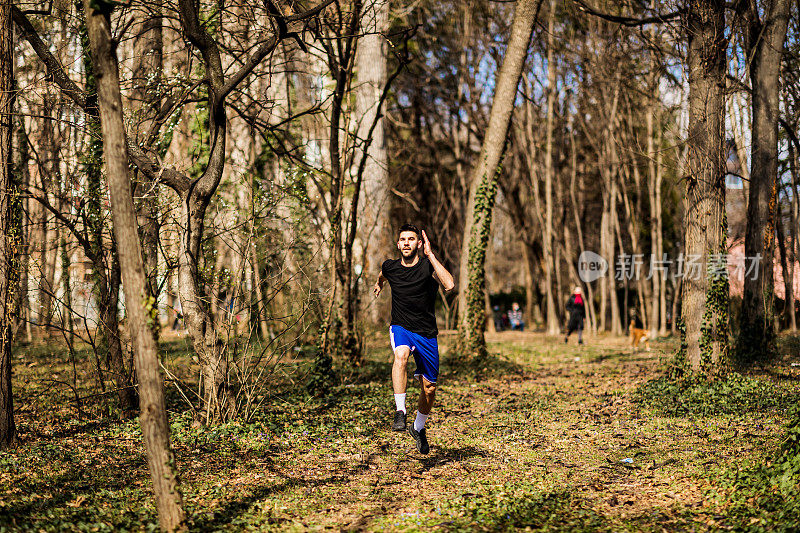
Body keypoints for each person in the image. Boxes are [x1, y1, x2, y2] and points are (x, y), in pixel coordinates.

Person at [373, 224, 455, 454]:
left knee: (429, 390)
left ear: (418, 243)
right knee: (401, 355)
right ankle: (400, 411)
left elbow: (449, 285)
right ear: (398, 244)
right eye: (403, 239)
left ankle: (418, 428)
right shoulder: (390, 267)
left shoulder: (428, 266)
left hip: (427, 333)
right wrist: (379, 283)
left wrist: (431, 255)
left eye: (411, 239)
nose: (406, 242)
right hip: (401, 327)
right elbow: (383, 274)